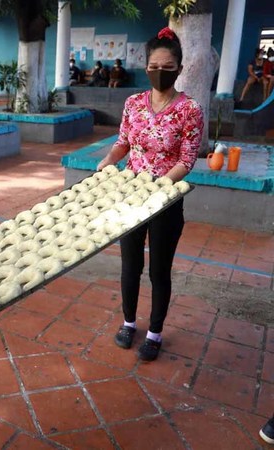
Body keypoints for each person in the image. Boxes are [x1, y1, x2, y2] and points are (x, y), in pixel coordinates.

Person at [97, 27, 203, 362]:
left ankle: (155, 332)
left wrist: (157, 188)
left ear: (179, 69)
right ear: (146, 68)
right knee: (130, 265)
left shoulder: (190, 110)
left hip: (165, 200)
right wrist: (108, 160)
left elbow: (187, 160)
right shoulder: (133, 104)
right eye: (154, 66)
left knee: (159, 270)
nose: (160, 72)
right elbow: (123, 142)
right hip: (130, 197)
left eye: (167, 66)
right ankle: (129, 322)